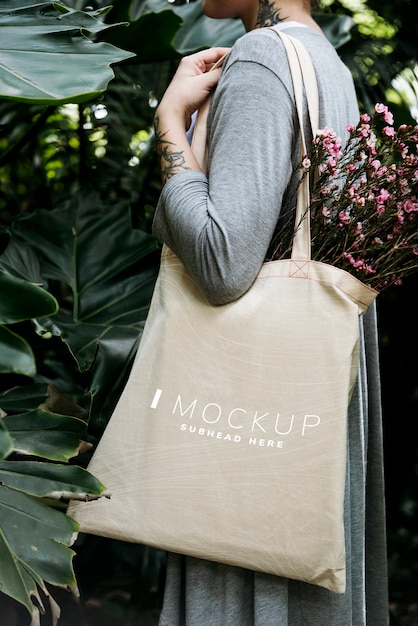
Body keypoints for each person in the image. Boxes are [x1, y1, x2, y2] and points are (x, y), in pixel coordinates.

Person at [152, 0, 389, 623]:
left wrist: (171, 122)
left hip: (248, 419)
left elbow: (221, 262)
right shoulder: (328, 64)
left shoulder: (261, 58)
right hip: (307, 413)